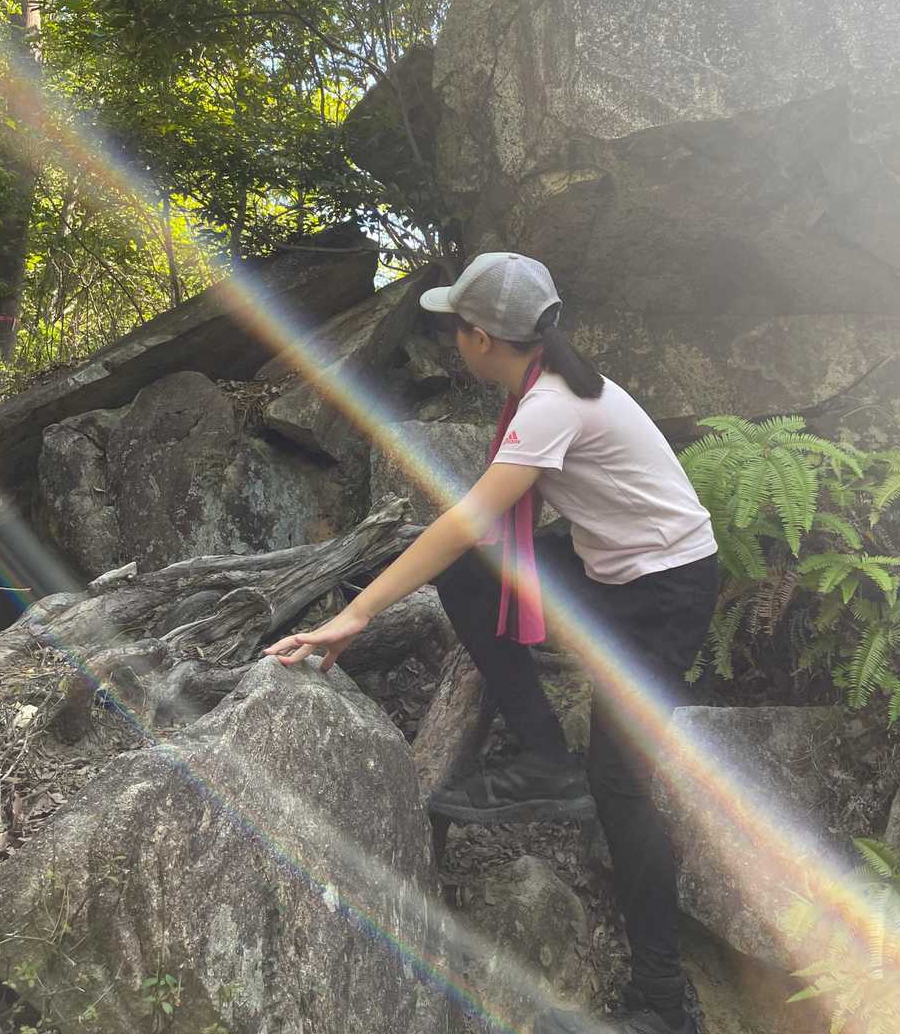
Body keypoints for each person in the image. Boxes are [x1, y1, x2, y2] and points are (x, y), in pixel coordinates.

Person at [263, 252, 719, 1034]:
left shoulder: (550, 406)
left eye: (456, 329)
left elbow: (467, 517)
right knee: (474, 576)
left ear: (479, 338)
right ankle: (545, 757)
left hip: (663, 595)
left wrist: (358, 612)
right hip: (612, 570)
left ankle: (663, 1000)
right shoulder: (551, 384)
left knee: (620, 786)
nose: (452, 341)